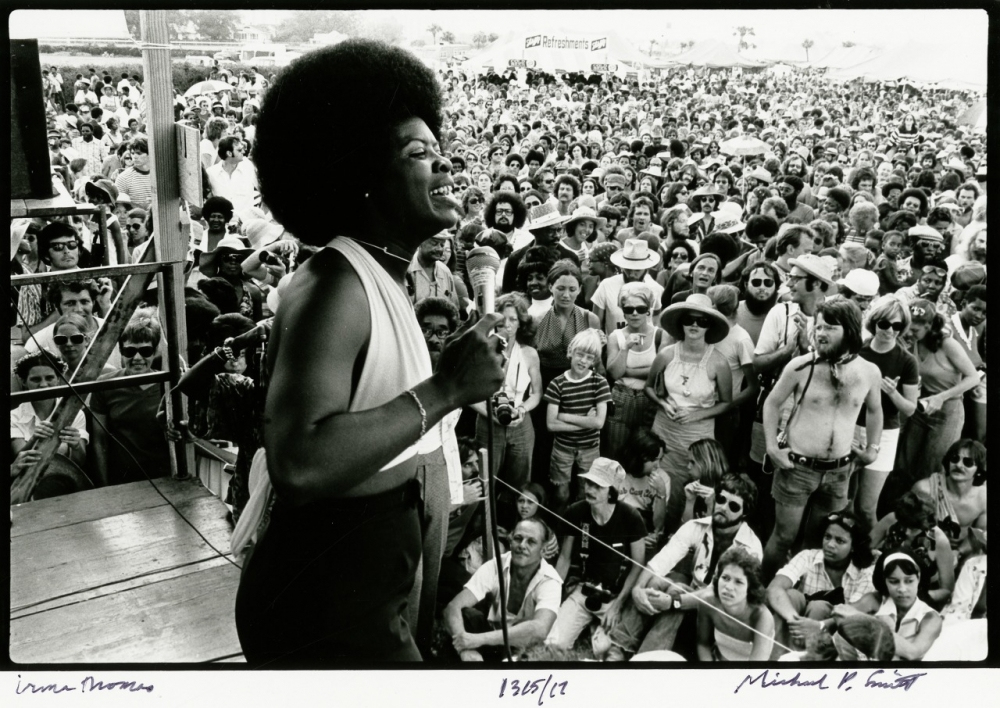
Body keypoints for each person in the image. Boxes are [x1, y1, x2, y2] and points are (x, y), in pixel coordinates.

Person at [233, 40, 505, 666]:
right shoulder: (336, 285)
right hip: (323, 599)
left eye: (441, 151)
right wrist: (445, 390)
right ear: (360, 175)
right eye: (419, 154)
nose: (446, 166)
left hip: (364, 584)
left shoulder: (383, 276)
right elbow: (300, 464)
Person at [762, 298, 883, 581]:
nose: (820, 333)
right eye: (818, 326)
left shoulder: (869, 371)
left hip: (840, 472)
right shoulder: (801, 366)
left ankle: (804, 591)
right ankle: (762, 592)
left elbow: (876, 410)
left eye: (830, 327)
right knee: (783, 537)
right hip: (797, 468)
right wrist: (772, 447)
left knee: (818, 541)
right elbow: (771, 403)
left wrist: (873, 449)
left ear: (850, 330)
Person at [605, 473, 762, 661]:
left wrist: (674, 601)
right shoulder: (697, 527)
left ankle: (645, 660)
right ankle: (619, 648)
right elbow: (662, 560)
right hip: (691, 594)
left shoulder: (751, 548)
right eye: (721, 499)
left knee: (675, 594)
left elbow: (719, 594)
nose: (723, 508)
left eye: (733, 506)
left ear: (744, 513)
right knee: (656, 581)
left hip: (722, 612)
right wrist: (638, 589)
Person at [647, 294, 732, 536]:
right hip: (665, 430)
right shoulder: (666, 354)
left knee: (697, 487)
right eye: (689, 320)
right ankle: (660, 534)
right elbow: (649, 387)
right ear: (681, 323)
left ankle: (691, 539)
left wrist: (698, 415)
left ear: (710, 326)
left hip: (698, 435)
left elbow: (727, 402)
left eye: (702, 321)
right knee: (663, 486)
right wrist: (663, 404)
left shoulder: (718, 362)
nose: (695, 325)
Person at [547, 457, 646, 651]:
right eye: (588, 483)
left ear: (611, 490)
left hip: (615, 596)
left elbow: (638, 565)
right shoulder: (575, 512)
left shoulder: (630, 516)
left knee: (606, 649)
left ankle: (595, 632)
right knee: (554, 643)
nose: (590, 490)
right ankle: (586, 626)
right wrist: (552, 597)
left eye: (598, 486)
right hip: (584, 589)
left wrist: (618, 606)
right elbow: (565, 558)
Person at [890, 299, 979, 500]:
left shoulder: (947, 344)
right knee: (903, 467)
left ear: (929, 326)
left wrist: (942, 396)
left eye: (914, 329)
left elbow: (973, 377)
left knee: (929, 470)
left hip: (947, 412)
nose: (908, 333)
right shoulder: (910, 343)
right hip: (921, 410)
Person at [444, 517, 562, 661]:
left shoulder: (550, 580)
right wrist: (465, 649)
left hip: (533, 650)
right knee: (466, 616)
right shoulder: (495, 565)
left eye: (531, 541)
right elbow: (453, 607)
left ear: (543, 550)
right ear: (510, 541)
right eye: (518, 538)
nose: (522, 545)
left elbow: (539, 630)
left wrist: (477, 640)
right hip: (496, 642)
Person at [470, 293, 542, 522]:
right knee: (485, 480)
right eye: (502, 320)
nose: (507, 325)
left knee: (519, 483)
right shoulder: (483, 351)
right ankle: (482, 530)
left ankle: (512, 528)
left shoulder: (529, 354)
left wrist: (521, 411)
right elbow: (470, 395)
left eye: (513, 319)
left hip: (521, 424)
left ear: (521, 323)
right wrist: (489, 415)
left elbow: (537, 394)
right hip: (488, 422)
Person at [850, 295, 920, 529]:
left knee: (866, 506)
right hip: (851, 426)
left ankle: (870, 553)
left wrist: (892, 392)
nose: (890, 330)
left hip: (885, 433)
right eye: (884, 324)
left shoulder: (907, 361)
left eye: (897, 326)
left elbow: (910, 409)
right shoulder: (857, 350)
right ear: (874, 322)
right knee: (844, 503)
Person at [766, 510, 876, 658]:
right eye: (827, 537)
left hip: (835, 634)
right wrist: (796, 622)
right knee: (791, 596)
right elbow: (775, 588)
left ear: (854, 546)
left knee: (819, 606)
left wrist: (817, 626)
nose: (830, 544)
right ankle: (771, 661)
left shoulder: (864, 573)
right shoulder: (808, 557)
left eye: (840, 541)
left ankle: (802, 663)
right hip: (797, 628)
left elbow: (852, 615)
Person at [89, 316, 171, 486]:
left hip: (163, 476)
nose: (138, 358)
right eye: (130, 351)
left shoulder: (168, 385)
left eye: (145, 351)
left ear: (155, 351)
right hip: (122, 478)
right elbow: (99, 440)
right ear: (121, 351)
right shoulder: (104, 385)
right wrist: (104, 486)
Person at [829, 550, 943, 661]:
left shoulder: (931, 618)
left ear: (918, 578)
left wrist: (864, 620)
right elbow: (839, 612)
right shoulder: (875, 600)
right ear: (885, 581)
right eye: (894, 581)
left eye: (909, 581)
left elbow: (912, 652)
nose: (902, 589)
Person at [544, 328, 611, 510]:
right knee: (561, 493)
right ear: (570, 352)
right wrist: (585, 422)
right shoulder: (557, 383)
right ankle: (560, 524)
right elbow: (551, 424)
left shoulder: (599, 383)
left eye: (589, 357)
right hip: (563, 448)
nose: (583, 360)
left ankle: (580, 527)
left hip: (589, 448)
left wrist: (564, 417)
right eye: (580, 354)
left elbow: (599, 423)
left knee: (585, 492)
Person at [604, 282, 663, 460]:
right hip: (622, 397)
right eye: (629, 309)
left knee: (644, 454)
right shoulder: (616, 336)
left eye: (640, 308)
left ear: (648, 310)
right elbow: (614, 373)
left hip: (649, 398)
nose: (635, 313)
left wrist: (627, 371)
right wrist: (626, 347)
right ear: (623, 311)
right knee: (616, 451)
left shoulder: (660, 334)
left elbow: (660, 371)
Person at [870, 491, 956, 608]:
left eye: (914, 528)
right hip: (883, 587)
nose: (907, 532)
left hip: (919, 597)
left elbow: (946, 590)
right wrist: (872, 557)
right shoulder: (891, 519)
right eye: (903, 525)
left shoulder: (939, 541)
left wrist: (915, 596)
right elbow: (863, 550)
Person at [11, 352, 89, 479]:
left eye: (49, 378)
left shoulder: (75, 413)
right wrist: (34, 439)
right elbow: (18, 458)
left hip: (64, 480)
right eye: (36, 379)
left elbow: (80, 462)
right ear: (24, 382)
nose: (43, 385)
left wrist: (76, 446)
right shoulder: (13, 416)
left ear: (58, 379)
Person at [911, 438, 987, 560]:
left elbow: (979, 535)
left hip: (961, 555)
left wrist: (957, 553)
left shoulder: (983, 498)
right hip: (924, 552)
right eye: (955, 459)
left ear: (979, 470)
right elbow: (909, 528)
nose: (959, 465)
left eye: (968, 462)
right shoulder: (925, 489)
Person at [696, 546, 775, 661]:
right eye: (725, 578)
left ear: (750, 587)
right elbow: (703, 645)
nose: (728, 587)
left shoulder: (761, 617)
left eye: (738, 582)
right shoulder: (707, 602)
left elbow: (756, 669)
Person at [592, 239, 664, 335]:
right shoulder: (606, 285)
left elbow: (656, 320)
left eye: (637, 270)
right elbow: (595, 324)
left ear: (646, 269)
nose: (632, 274)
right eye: (628, 269)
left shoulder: (655, 288)